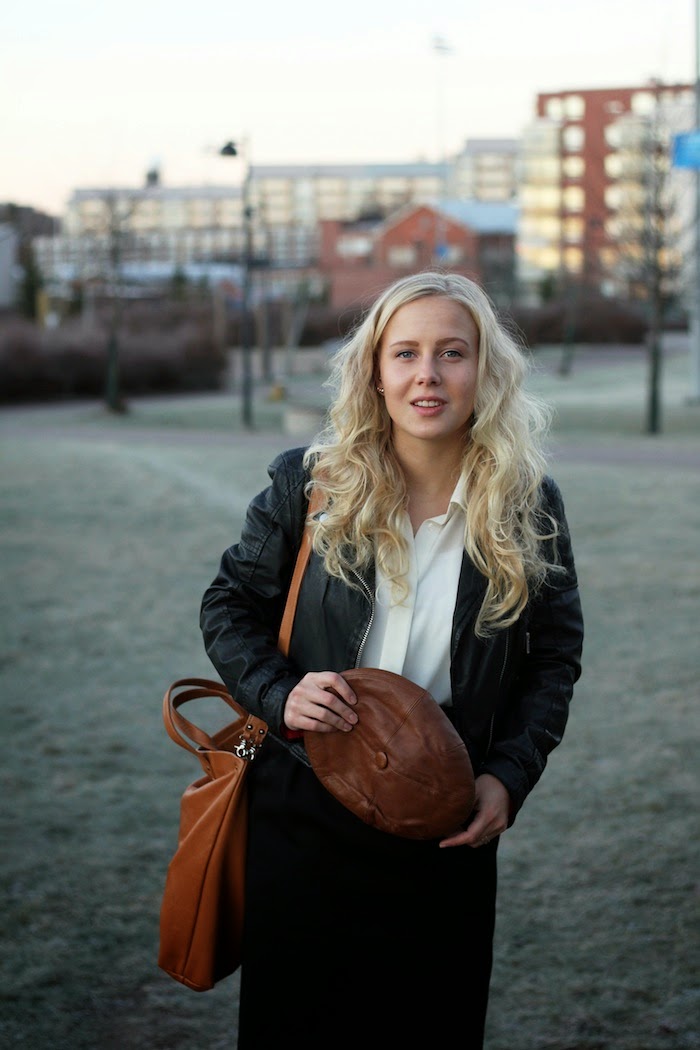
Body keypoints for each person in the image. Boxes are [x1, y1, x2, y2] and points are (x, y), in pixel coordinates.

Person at [200, 270, 584, 1050]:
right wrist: (278, 693)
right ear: (375, 371)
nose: (427, 375)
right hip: (303, 808)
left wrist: (509, 775)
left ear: (485, 370)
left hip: (446, 822)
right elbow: (229, 604)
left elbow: (553, 659)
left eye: (452, 352)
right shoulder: (310, 483)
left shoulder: (527, 502)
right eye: (405, 353)